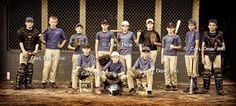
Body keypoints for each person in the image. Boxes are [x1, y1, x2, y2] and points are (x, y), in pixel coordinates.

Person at [41, 16, 67, 88]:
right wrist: (41, 39)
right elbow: (44, 41)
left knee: (54, 66)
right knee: (47, 66)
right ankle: (44, 81)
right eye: (52, 22)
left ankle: (52, 81)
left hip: (56, 50)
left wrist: (61, 46)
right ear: (49, 22)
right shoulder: (47, 30)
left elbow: (64, 39)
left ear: (57, 22)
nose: (53, 23)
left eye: (55, 22)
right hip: (48, 50)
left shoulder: (60, 30)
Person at [15, 17, 40, 89]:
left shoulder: (36, 32)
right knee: (22, 68)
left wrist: (36, 51)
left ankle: (28, 84)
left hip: (32, 52)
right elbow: (20, 42)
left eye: (31, 22)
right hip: (24, 52)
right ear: (25, 23)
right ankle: (18, 84)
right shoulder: (21, 31)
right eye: (28, 22)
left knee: (30, 68)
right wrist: (23, 51)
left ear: (33, 23)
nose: (30, 23)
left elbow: (37, 43)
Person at [201, 19, 225, 95]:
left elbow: (224, 47)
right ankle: (205, 88)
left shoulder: (220, 35)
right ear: (208, 26)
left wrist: (218, 48)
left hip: (217, 54)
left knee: (217, 72)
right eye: (210, 25)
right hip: (207, 55)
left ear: (216, 26)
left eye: (213, 25)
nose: (212, 27)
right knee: (206, 72)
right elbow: (202, 47)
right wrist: (202, 57)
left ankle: (219, 90)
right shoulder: (205, 35)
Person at [161, 22, 181, 91]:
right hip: (166, 55)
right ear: (167, 29)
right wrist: (162, 58)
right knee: (166, 71)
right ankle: (168, 84)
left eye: (171, 28)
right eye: (169, 28)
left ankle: (174, 84)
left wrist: (174, 46)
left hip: (173, 56)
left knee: (172, 71)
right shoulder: (164, 37)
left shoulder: (176, 37)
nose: (170, 29)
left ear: (174, 29)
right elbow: (162, 48)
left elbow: (180, 47)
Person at [67, 23, 88, 88]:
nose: (79, 29)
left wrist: (83, 48)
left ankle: (81, 81)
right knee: (75, 68)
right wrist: (74, 48)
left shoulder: (84, 36)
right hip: (76, 54)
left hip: (82, 54)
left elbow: (86, 46)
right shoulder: (73, 36)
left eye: (80, 28)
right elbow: (68, 46)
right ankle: (73, 81)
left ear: (82, 29)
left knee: (83, 68)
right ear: (76, 29)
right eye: (78, 28)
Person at [183, 19, 200, 94]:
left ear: (195, 25)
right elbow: (186, 43)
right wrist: (186, 49)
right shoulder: (187, 33)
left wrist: (195, 54)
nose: (190, 26)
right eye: (189, 25)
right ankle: (191, 86)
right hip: (187, 53)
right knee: (189, 71)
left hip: (193, 54)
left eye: (192, 25)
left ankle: (195, 87)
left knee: (193, 71)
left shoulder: (196, 32)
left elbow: (196, 44)